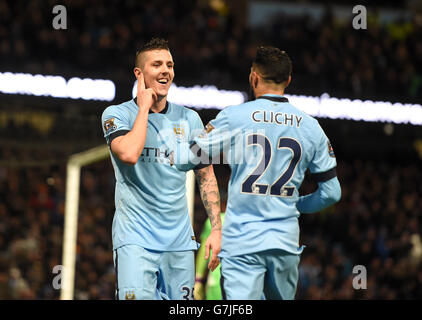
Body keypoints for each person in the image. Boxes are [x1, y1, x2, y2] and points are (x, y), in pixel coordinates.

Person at [176, 46, 341, 299]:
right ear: (288, 79)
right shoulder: (311, 127)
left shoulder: (234, 117)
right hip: (285, 243)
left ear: (254, 77)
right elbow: (331, 193)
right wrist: (296, 205)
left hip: (242, 242)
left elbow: (189, 156)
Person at [101, 38, 222, 300]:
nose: (165, 70)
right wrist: (144, 107)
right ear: (139, 73)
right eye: (157, 64)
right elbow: (130, 153)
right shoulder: (116, 114)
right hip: (135, 239)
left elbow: (206, 174)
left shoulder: (189, 119)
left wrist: (216, 228)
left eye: (170, 64)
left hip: (179, 243)